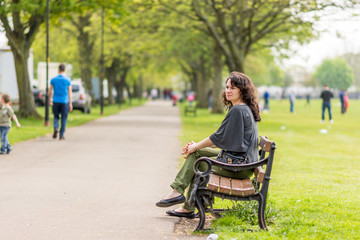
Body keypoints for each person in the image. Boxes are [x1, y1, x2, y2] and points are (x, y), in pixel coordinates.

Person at [156, 72, 260, 219]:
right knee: (196, 154)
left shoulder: (238, 110)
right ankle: (183, 201)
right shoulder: (242, 108)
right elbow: (225, 138)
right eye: (227, 87)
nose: (228, 91)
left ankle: (180, 196)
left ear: (242, 90)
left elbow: (217, 137)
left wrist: (196, 146)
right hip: (241, 161)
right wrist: (196, 147)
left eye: (233, 88)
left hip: (238, 166)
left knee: (199, 161)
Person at [49, 64, 72, 140]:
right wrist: (70, 103)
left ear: (58, 70)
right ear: (64, 70)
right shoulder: (68, 80)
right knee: (64, 118)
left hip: (56, 100)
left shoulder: (53, 79)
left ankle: (56, 127)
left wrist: (50, 99)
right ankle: (61, 135)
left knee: (56, 116)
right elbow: (69, 92)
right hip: (64, 101)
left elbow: (50, 91)